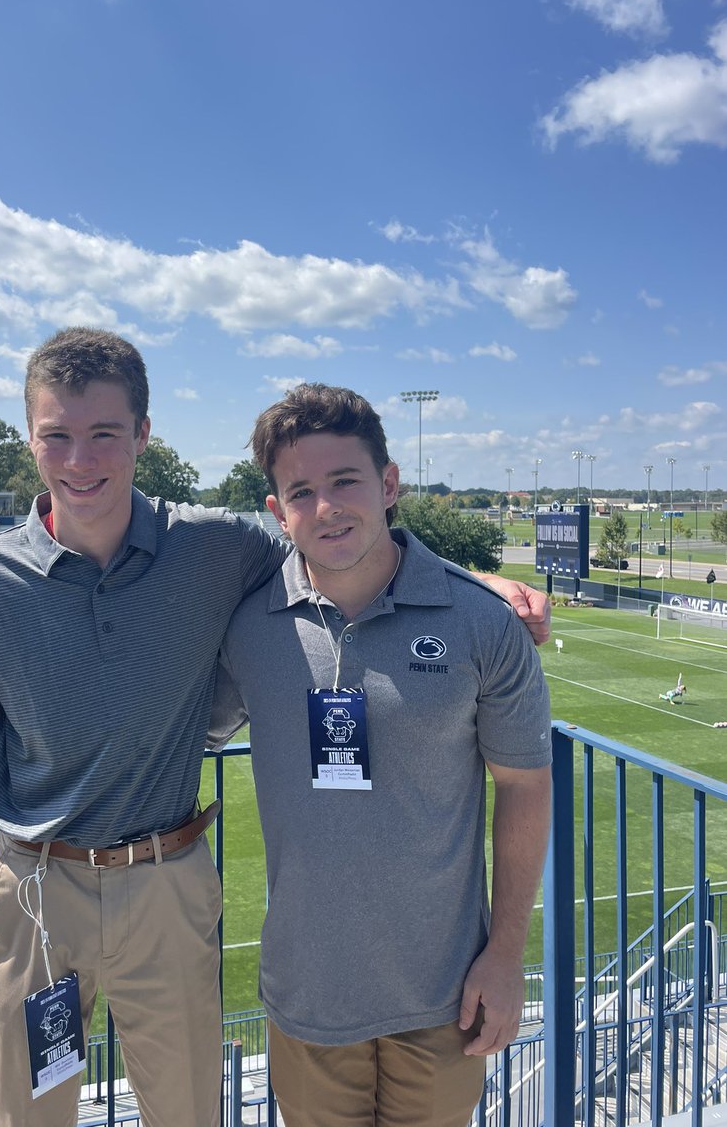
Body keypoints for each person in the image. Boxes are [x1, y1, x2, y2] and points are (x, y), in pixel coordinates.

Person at [0, 328, 550, 1127]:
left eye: (105, 434)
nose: (80, 460)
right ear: (29, 438)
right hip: (33, 890)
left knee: (187, 1113)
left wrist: (473, 587)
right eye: (57, 435)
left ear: (143, 436)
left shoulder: (216, 547)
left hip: (166, 878)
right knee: (29, 1116)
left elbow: (350, 545)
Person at [209, 383, 552, 1127]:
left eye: (346, 481)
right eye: (301, 492)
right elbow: (180, 729)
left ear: (389, 484)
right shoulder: (248, 626)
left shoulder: (482, 622)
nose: (326, 507)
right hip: (309, 992)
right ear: (277, 512)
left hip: (445, 993)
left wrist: (505, 955)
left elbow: (525, 786)